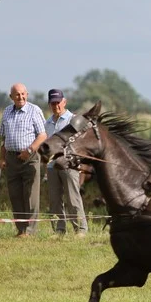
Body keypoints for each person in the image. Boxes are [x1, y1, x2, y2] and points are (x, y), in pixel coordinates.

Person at [0, 83, 47, 237]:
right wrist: (1, 157)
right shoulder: (6, 112)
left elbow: (43, 135)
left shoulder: (34, 110)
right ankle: (21, 230)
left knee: (31, 195)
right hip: (12, 158)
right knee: (15, 194)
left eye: (23, 94)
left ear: (27, 94)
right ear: (11, 97)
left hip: (30, 157)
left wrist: (30, 150)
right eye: (17, 94)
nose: (21, 97)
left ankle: (30, 232)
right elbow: (4, 138)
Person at [43, 89, 88, 236]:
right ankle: (59, 229)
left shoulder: (73, 120)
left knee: (72, 197)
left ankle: (80, 229)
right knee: (54, 199)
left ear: (64, 102)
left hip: (69, 165)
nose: (56, 105)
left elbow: (83, 141)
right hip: (52, 166)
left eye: (58, 102)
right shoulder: (48, 123)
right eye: (53, 103)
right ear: (50, 104)